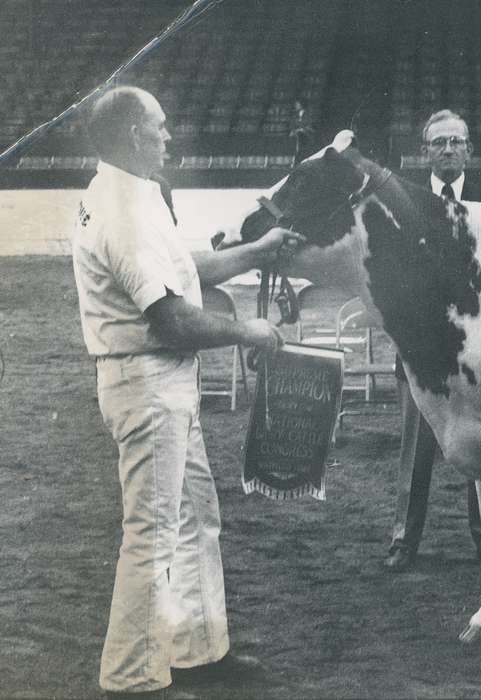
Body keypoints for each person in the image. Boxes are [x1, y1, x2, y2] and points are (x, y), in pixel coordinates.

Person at [72, 85, 304, 699]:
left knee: (195, 514)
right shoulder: (120, 210)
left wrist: (254, 252)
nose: (170, 136)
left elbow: (183, 269)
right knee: (151, 529)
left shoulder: (135, 197)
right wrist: (247, 330)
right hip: (146, 380)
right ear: (132, 137)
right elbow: (172, 319)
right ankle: (132, 676)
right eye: (161, 127)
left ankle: (198, 650)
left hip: (165, 380)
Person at [384, 109, 481, 572]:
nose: (449, 149)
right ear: (425, 152)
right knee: (416, 452)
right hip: (421, 353)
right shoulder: (403, 204)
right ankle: (403, 538)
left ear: (470, 150)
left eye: (457, 141)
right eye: (440, 143)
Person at [289, 100, 314, 166]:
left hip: (306, 134)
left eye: (297, 104)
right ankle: (296, 160)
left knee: (302, 140)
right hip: (297, 135)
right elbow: (292, 125)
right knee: (296, 139)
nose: (296, 106)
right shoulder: (295, 115)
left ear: (301, 105)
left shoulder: (308, 114)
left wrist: (302, 129)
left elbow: (309, 125)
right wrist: (294, 130)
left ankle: (299, 161)